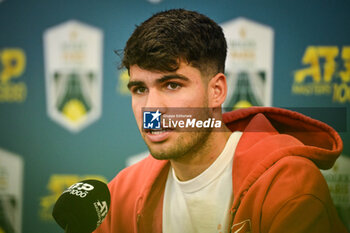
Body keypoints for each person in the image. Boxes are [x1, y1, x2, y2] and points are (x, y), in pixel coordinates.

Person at [94, 9, 348, 233]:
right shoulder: (122, 193)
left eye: (172, 85)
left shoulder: (287, 185)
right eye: (139, 89)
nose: (152, 109)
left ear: (216, 91)